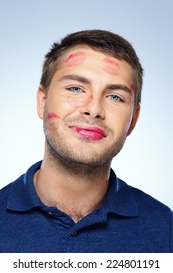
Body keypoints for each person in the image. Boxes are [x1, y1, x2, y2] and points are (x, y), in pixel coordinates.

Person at [0, 30, 172, 253]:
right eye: (75, 88)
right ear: (42, 102)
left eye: (115, 97)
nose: (94, 109)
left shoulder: (166, 230)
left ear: (133, 120)